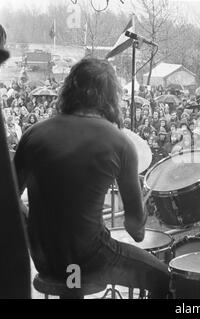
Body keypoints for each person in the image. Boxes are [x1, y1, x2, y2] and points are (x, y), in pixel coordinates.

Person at [14, 58, 169, 298]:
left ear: (68, 90)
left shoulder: (33, 134)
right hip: (89, 259)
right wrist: (142, 210)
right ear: (111, 97)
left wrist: (32, 223)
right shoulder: (120, 142)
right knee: (166, 279)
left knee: (72, 274)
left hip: (43, 258)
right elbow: (135, 230)